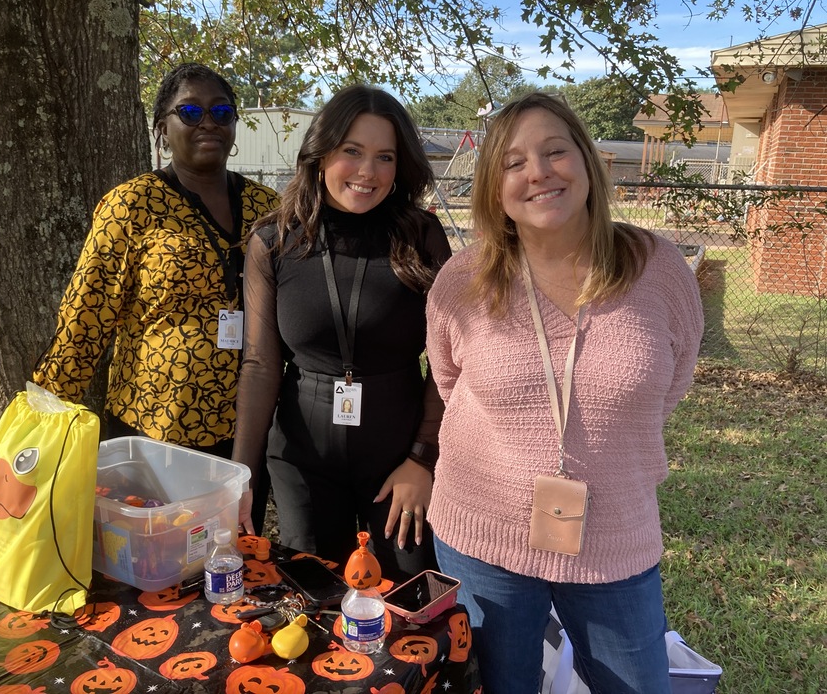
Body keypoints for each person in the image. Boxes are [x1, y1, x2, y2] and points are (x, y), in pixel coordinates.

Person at [425, 92, 704, 693]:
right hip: (484, 533)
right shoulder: (462, 281)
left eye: (556, 151)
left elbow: (671, 381)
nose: (539, 172)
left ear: (588, 160)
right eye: (514, 162)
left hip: (615, 537)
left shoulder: (657, 268)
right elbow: (451, 384)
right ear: (493, 187)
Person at [33, 63, 279, 530]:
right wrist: (43, 414)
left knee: (230, 555)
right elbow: (87, 317)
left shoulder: (268, 208)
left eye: (221, 111)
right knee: (153, 561)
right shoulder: (131, 205)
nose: (208, 122)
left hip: (245, 429)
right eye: (190, 111)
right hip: (157, 428)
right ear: (162, 129)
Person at [232, 85, 452, 580]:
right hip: (302, 457)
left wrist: (424, 459)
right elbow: (261, 364)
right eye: (351, 151)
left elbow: (451, 359)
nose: (367, 172)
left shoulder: (420, 236)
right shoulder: (273, 241)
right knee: (317, 594)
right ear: (320, 153)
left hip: (398, 449)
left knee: (407, 593)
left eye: (384, 157)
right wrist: (240, 477)